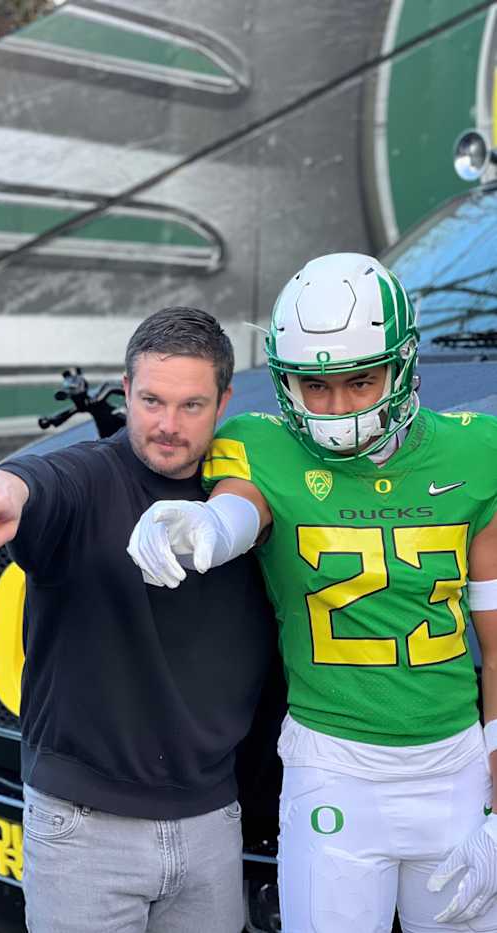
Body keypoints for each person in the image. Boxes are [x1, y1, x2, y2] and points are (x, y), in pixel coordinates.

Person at [128, 254, 497, 933]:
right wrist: (207, 524)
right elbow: (244, 507)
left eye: (360, 380)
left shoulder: (477, 452)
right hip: (334, 766)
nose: (336, 407)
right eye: (313, 385)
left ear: (404, 363)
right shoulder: (262, 446)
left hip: (454, 770)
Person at [0, 306, 280, 933]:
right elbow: (41, 480)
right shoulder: (90, 479)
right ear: (125, 391)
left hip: (212, 823)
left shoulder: (252, 490)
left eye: (191, 406)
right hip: (85, 834)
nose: (168, 427)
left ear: (225, 401)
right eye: (151, 401)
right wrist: (2, 490)